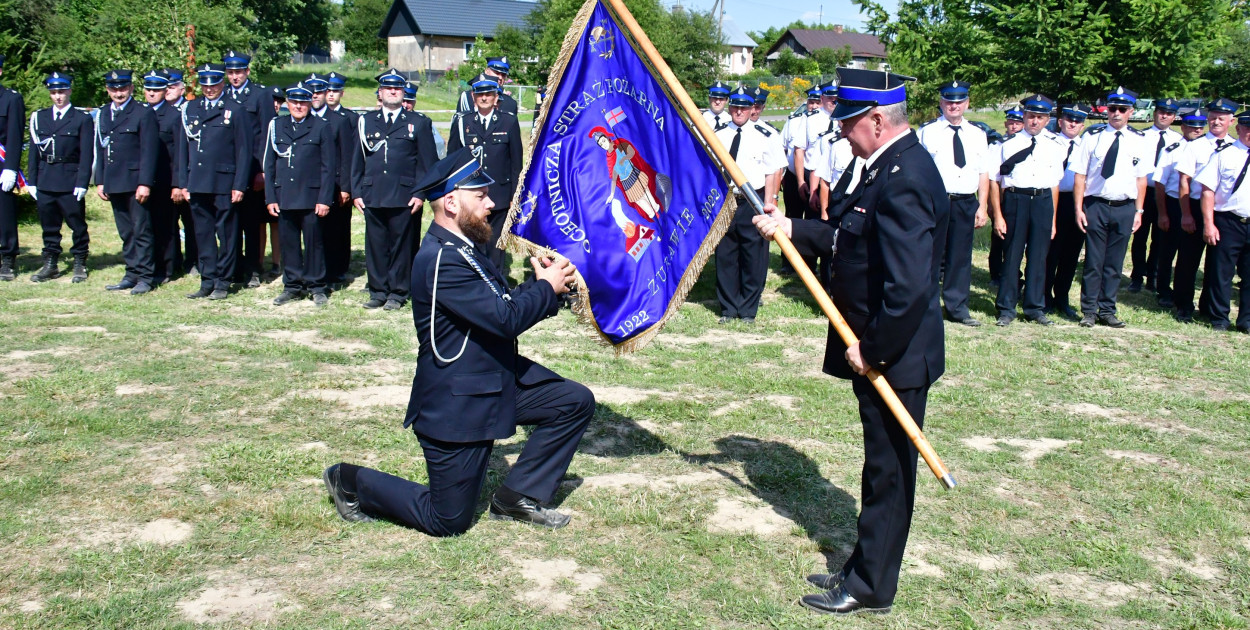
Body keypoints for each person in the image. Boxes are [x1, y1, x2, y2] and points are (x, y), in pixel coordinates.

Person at [752, 67, 946, 616]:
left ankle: (870, 587)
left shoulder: (906, 176)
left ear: (878, 120)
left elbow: (908, 288)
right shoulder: (882, 165)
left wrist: (873, 349)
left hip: (895, 356)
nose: (842, 133)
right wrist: (792, 228)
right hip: (878, 348)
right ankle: (866, 566)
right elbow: (847, 234)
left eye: (850, 123)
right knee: (878, 467)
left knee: (889, 473)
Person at [324, 148, 593, 536]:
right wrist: (544, 289)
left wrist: (546, 290)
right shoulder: (441, 259)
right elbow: (505, 320)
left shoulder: (465, 249)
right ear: (451, 202)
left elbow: (499, 305)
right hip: (458, 402)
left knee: (573, 401)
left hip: (490, 379)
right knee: (447, 520)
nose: (492, 203)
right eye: (481, 196)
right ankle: (349, 480)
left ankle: (517, 497)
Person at [350, 68, 439, 310]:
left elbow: (427, 164)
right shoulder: (365, 121)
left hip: (404, 195)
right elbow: (357, 160)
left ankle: (398, 293)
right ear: (380, 93)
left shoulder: (418, 123)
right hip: (373, 193)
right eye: (388, 88)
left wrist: (420, 194)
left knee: (401, 246)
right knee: (376, 244)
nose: (392, 91)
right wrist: (356, 192)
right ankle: (378, 290)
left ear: (402, 93)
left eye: (397, 88)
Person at [1071, 87, 1152, 328]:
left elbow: (1141, 180)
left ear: (1130, 112)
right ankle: (1088, 311)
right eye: (1112, 109)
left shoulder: (1139, 141)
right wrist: (1078, 208)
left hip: (1125, 207)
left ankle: (1107, 310)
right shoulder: (1092, 137)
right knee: (1094, 261)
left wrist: (1138, 211)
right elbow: (1080, 176)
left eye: (1122, 109)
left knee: (1115, 263)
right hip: (1096, 204)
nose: (1116, 113)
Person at [177, 63, 254, 301]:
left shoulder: (235, 109)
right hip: (198, 182)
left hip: (224, 182)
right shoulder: (190, 108)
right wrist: (183, 182)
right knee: (202, 233)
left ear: (222, 83)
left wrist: (240, 185)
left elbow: (244, 151)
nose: (209, 89)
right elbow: (183, 150)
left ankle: (223, 280)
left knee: (228, 233)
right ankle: (207, 279)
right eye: (205, 84)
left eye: (214, 84)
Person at [917, 80, 989, 327]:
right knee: (931, 254)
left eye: (959, 101)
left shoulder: (978, 134)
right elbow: (918, 171)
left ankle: (957, 308)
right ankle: (926, 305)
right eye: (949, 101)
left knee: (960, 257)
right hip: (936, 202)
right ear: (941, 103)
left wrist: (983, 205)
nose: (954, 106)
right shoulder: (927, 132)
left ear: (967, 104)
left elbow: (983, 172)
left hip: (965, 201)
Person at [988, 94, 1064, 326]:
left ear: (1047, 119)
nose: (1034, 121)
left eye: (1040, 117)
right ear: (1024, 116)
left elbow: (1054, 184)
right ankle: (1006, 308)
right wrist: (998, 215)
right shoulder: (1006, 145)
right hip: (1016, 201)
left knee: (1039, 257)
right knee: (1011, 255)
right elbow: (994, 181)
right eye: (1031, 116)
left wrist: (1052, 219)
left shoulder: (1054, 146)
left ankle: (1034, 307)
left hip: (1042, 201)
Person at [714, 86, 784, 324]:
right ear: (730, 106)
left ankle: (747, 309)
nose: (739, 111)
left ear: (752, 108)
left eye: (744, 107)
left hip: (753, 201)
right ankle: (728, 308)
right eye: (735, 106)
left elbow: (773, 172)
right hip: (726, 200)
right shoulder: (718, 133)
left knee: (753, 256)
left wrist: (769, 203)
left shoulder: (766, 135)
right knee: (725, 254)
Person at [264, 82, 337, 307]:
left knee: (314, 243)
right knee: (289, 243)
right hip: (285, 195)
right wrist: (271, 197)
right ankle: (292, 286)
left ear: (309, 104)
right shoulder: (277, 125)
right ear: (287, 103)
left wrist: (325, 199)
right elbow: (269, 164)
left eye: (303, 102)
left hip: (311, 197)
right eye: (294, 102)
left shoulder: (321, 126)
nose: (298, 106)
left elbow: (328, 167)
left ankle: (316, 286)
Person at [447, 73, 522, 272]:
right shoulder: (463, 122)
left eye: (489, 94)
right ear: (473, 97)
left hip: (499, 193)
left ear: (496, 97)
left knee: (496, 242)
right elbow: (452, 160)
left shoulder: (509, 122)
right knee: (472, 238)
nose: (484, 98)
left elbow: (516, 163)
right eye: (480, 94)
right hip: (470, 193)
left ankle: (496, 280)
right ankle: (473, 278)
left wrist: (515, 195)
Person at [95, 69, 160, 294]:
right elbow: (101, 147)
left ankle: (145, 276)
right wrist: (100, 180)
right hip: (114, 180)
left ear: (131, 88)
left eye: (123, 88)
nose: (118, 92)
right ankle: (131, 272)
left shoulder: (142, 112)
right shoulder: (104, 113)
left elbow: (150, 151)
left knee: (141, 230)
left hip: (135, 182)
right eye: (114, 88)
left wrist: (145, 183)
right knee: (126, 232)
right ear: (107, 90)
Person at [24, 72, 93, 283]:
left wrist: (82, 182)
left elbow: (86, 154)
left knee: (77, 224)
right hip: (46, 178)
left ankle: (80, 261)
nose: (58, 96)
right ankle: (50, 263)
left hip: (69, 179)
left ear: (69, 91)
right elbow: (34, 153)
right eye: (54, 92)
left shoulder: (81, 118)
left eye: (62, 92)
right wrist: (32, 181)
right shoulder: (40, 117)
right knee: (49, 225)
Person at [1173, 98, 1237, 323]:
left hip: (1222, 212)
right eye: (1212, 117)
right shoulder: (1196, 145)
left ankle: (1209, 307)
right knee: (1188, 260)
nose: (1216, 121)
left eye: (1221, 118)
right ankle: (1183, 305)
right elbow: (1184, 182)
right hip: (1195, 208)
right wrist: (1186, 214)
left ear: (1231, 120)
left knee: (1217, 263)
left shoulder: (1236, 148)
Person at [1193, 110, 1250, 333]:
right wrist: (1209, 223)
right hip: (1228, 221)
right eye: (1246, 128)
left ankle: (1246, 321)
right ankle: (1219, 318)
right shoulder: (1224, 155)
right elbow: (1207, 191)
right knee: (1221, 273)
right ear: (1238, 129)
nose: (1249, 133)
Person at [223, 50, 274, 289]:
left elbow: (266, 133)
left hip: (253, 168)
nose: (234, 77)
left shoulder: (260, 95)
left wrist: (263, 170)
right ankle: (233, 267)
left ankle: (254, 268)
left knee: (252, 223)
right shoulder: (221, 95)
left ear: (247, 71)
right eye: (231, 72)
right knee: (229, 223)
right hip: (227, 170)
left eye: (239, 72)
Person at [1153, 111, 1206, 310]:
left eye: (1200, 126)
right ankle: (1163, 290)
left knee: (1189, 254)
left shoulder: (1209, 149)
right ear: (1182, 127)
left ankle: (1183, 292)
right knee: (1167, 250)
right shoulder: (1172, 150)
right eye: (1192, 126)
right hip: (1174, 203)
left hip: (1197, 203)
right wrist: (1163, 213)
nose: (1197, 130)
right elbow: (1160, 183)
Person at [309, 72, 356, 290]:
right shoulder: (306, 119)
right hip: (311, 184)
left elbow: (346, 156)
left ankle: (336, 270)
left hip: (336, 182)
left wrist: (345, 186)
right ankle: (318, 268)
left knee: (336, 229)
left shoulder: (341, 120)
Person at [1043, 103, 1090, 320]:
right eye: (1069, 119)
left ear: (1083, 124)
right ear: (1060, 121)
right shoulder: (1049, 142)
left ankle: (1062, 297)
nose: (1073, 124)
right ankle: (1043, 297)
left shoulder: (1087, 145)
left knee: (1071, 254)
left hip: (1076, 201)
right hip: (1053, 200)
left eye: (1078, 120)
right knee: (1050, 252)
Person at [1130, 97, 1181, 293]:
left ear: (1173, 117)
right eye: (1161, 112)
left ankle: (1153, 275)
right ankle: (1136, 276)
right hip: (1143, 191)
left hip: (1164, 194)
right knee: (1140, 236)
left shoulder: (1177, 140)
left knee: (1160, 238)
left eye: (1168, 114)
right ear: (1154, 113)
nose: (1164, 116)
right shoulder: (1140, 136)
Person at [141, 70, 185, 284]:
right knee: (146, 225)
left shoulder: (174, 115)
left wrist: (177, 183)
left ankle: (168, 268)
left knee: (165, 225)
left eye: (157, 90)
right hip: (144, 179)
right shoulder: (140, 113)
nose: (152, 93)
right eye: (148, 89)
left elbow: (179, 153)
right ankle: (151, 263)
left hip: (166, 179)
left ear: (164, 91)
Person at [988, 106, 1024, 287]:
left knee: (1014, 240)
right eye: (1011, 122)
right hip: (999, 197)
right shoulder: (997, 145)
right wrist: (990, 204)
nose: (1014, 126)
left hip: (1016, 197)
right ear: (1005, 123)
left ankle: (1013, 273)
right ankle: (995, 273)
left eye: (1018, 123)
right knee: (998, 238)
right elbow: (991, 177)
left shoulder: (1025, 144)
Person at [0, 54, 26, 281]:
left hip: (1, 165)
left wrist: (10, 168)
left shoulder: (11, 99)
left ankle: (7, 258)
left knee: (4, 214)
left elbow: (15, 136)